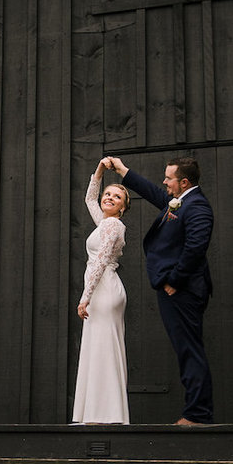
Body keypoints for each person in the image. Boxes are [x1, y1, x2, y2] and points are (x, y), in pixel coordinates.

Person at [106, 155, 214, 425]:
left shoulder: (198, 206)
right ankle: (197, 412)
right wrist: (122, 171)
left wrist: (173, 281)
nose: (164, 182)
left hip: (183, 290)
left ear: (184, 182)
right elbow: (153, 192)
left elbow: (196, 247)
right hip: (176, 288)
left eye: (169, 179)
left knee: (190, 349)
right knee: (185, 349)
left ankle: (198, 415)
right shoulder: (180, 200)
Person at [72, 159, 131, 424]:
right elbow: (89, 199)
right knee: (97, 346)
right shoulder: (103, 223)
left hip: (104, 289)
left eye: (117, 196)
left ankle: (109, 414)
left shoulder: (113, 226)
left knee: (104, 347)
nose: (109, 197)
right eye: (108, 193)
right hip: (100, 287)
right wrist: (98, 171)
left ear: (122, 207)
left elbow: (101, 261)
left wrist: (85, 297)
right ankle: (97, 412)